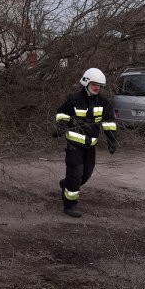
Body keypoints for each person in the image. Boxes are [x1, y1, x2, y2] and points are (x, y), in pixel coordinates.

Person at [55, 68, 117, 217]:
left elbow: (109, 122)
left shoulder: (104, 102)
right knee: (75, 174)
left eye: (99, 85)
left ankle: (66, 184)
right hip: (74, 145)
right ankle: (70, 205)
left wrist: (112, 140)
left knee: (86, 175)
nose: (97, 87)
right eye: (94, 84)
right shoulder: (73, 99)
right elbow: (61, 114)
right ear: (86, 83)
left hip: (90, 146)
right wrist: (61, 126)